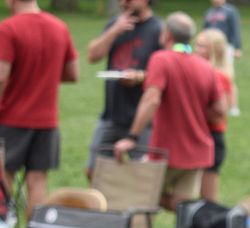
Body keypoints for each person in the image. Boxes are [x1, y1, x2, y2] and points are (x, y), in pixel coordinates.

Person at [114, 12, 224, 211]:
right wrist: (193, 110)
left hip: (165, 152)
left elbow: (151, 98)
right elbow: (220, 110)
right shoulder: (205, 66)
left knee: (140, 199)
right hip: (198, 151)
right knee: (183, 209)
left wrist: (132, 136)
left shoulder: (161, 59)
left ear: (166, 35)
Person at [0, 0, 79, 213]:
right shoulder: (59, 26)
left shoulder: (8, 28)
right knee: (37, 180)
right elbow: (73, 74)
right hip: (47, 121)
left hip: (11, 118)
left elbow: (1, 75)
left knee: (3, 178)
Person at [84, 0, 162, 178]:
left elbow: (171, 71)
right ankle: (107, 204)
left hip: (143, 120)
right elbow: (92, 56)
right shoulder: (115, 24)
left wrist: (140, 77)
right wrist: (114, 30)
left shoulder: (158, 29)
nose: (123, 3)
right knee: (94, 171)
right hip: (111, 115)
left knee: (143, 177)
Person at [194, 28, 232, 203]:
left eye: (201, 46)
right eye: (196, 44)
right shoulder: (201, 72)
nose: (195, 49)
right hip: (198, 138)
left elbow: (218, 115)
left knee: (208, 201)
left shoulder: (219, 77)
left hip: (211, 140)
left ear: (214, 51)